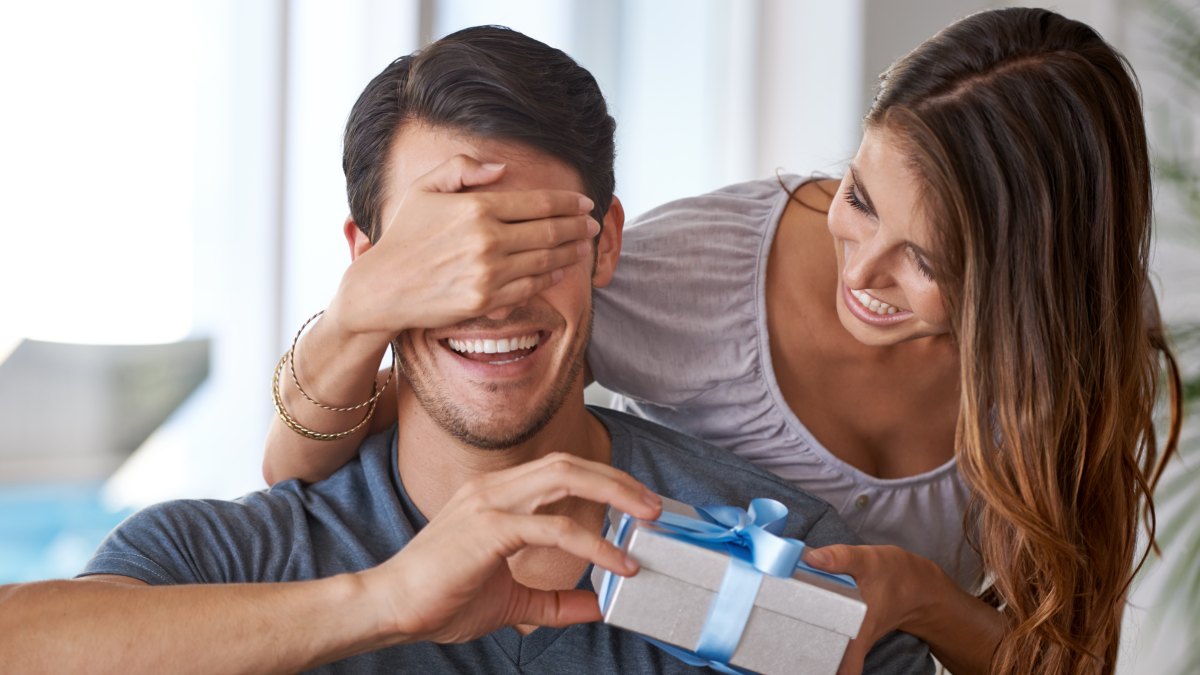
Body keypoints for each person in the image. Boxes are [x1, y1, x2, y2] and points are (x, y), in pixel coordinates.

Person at [264, 8, 1184, 675]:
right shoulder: (698, 276)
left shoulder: (1070, 364)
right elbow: (318, 456)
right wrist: (358, 309)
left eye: (929, 262)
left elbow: (1063, 663)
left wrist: (918, 593)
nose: (860, 274)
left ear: (1033, 294)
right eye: (860, 200)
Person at [0, 26, 932, 674]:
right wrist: (387, 598)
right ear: (365, 265)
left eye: (532, 240)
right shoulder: (237, 555)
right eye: (444, 251)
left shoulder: (777, 555)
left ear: (608, 242)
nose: (490, 288)